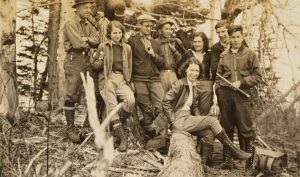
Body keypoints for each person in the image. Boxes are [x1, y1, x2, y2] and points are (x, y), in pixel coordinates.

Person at [162, 58, 251, 172]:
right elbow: (165, 102)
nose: (194, 74)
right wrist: (172, 121)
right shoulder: (179, 84)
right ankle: (234, 151)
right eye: (191, 70)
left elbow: (194, 107)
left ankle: (202, 165)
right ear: (186, 71)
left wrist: (198, 119)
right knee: (212, 121)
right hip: (179, 119)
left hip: (187, 118)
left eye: (196, 71)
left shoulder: (193, 86)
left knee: (209, 132)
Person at [215, 25, 261, 174]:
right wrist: (220, 91)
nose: (235, 40)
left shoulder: (250, 54)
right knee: (227, 127)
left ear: (242, 37)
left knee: (246, 129)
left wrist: (241, 82)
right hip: (226, 97)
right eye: (232, 37)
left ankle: (250, 164)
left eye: (238, 37)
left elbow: (258, 76)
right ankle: (228, 161)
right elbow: (218, 76)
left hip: (242, 96)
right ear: (229, 38)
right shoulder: (224, 56)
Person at [91, 21, 135, 152]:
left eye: (120, 32)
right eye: (114, 32)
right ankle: (122, 137)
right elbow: (96, 66)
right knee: (112, 104)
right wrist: (99, 61)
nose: (117, 35)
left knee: (130, 100)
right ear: (109, 33)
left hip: (122, 79)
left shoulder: (127, 48)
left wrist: (130, 81)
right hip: (107, 78)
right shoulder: (103, 46)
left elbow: (129, 67)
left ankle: (115, 125)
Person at [63, 0, 99, 143]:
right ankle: (70, 128)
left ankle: (86, 126)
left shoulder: (88, 24)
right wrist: (88, 41)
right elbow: (78, 44)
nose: (88, 10)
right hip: (74, 60)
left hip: (87, 60)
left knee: (90, 92)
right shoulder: (70, 23)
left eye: (90, 7)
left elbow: (97, 39)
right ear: (77, 8)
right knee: (72, 93)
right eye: (85, 7)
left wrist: (87, 39)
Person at [127, 14, 165, 133]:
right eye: (146, 26)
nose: (149, 28)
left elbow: (162, 62)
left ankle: (158, 131)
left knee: (162, 105)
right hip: (139, 79)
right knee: (145, 107)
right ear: (139, 25)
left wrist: (154, 54)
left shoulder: (155, 43)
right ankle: (150, 131)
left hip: (154, 79)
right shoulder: (132, 41)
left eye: (151, 26)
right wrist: (131, 81)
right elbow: (128, 62)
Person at [182, 31, 214, 115]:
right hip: (191, 83)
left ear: (204, 42)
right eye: (195, 41)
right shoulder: (188, 53)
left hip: (205, 84)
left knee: (204, 109)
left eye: (199, 41)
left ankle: (202, 122)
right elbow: (180, 69)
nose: (197, 44)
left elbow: (214, 70)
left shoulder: (209, 54)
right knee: (191, 108)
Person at [155, 18, 186, 93]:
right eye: (166, 29)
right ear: (160, 31)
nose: (169, 31)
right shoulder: (155, 42)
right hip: (160, 74)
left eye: (170, 29)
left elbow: (182, 60)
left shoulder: (176, 42)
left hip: (173, 74)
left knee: (174, 97)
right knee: (161, 98)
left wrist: (174, 50)